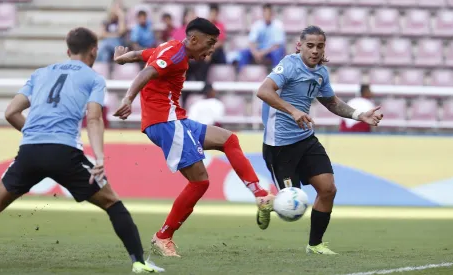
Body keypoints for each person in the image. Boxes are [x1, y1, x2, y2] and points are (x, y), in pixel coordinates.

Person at [0, 27, 164, 273]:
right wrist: (100, 158)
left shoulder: (40, 74)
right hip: (64, 152)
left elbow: (10, 113)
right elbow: (93, 119)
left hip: (30, 151)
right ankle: (139, 262)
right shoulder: (93, 79)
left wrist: (34, 135)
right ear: (94, 51)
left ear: (67, 50)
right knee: (112, 203)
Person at [112, 17, 274, 257]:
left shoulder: (168, 48)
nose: (211, 50)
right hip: (166, 123)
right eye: (209, 44)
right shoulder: (175, 55)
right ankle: (163, 236)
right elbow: (148, 71)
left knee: (228, 139)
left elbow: (143, 55)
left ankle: (260, 196)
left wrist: (122, 58)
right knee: (200, 182)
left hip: (175, 120)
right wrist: (127, 98)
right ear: (194, 39)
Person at [257, 26, 383, 255]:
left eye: (320, 46)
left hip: (306, 140)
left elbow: (331, 102)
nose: (315, 51)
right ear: (299, 46)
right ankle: (267, 202)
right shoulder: (289, 64)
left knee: (328, 189)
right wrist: (293, 111)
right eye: (310, 45)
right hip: (280, 145)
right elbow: (264, 91)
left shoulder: (321, 73)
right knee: (293, 206)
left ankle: (315, 245)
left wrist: (359, 115)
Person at [237, 4, 286, 71]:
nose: (267, 15)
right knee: (244, 53)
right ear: (263, 13)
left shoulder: (278, 25)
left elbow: (277, 45)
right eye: (265, 12)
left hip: (271, 51)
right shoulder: (257, 25)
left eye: (269, 13)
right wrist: (255, 53)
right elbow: (251, 42)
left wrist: (262, 53)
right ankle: (242, 75)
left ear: (272, 14)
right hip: (259, 50)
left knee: (277, 53)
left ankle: (277, 76)